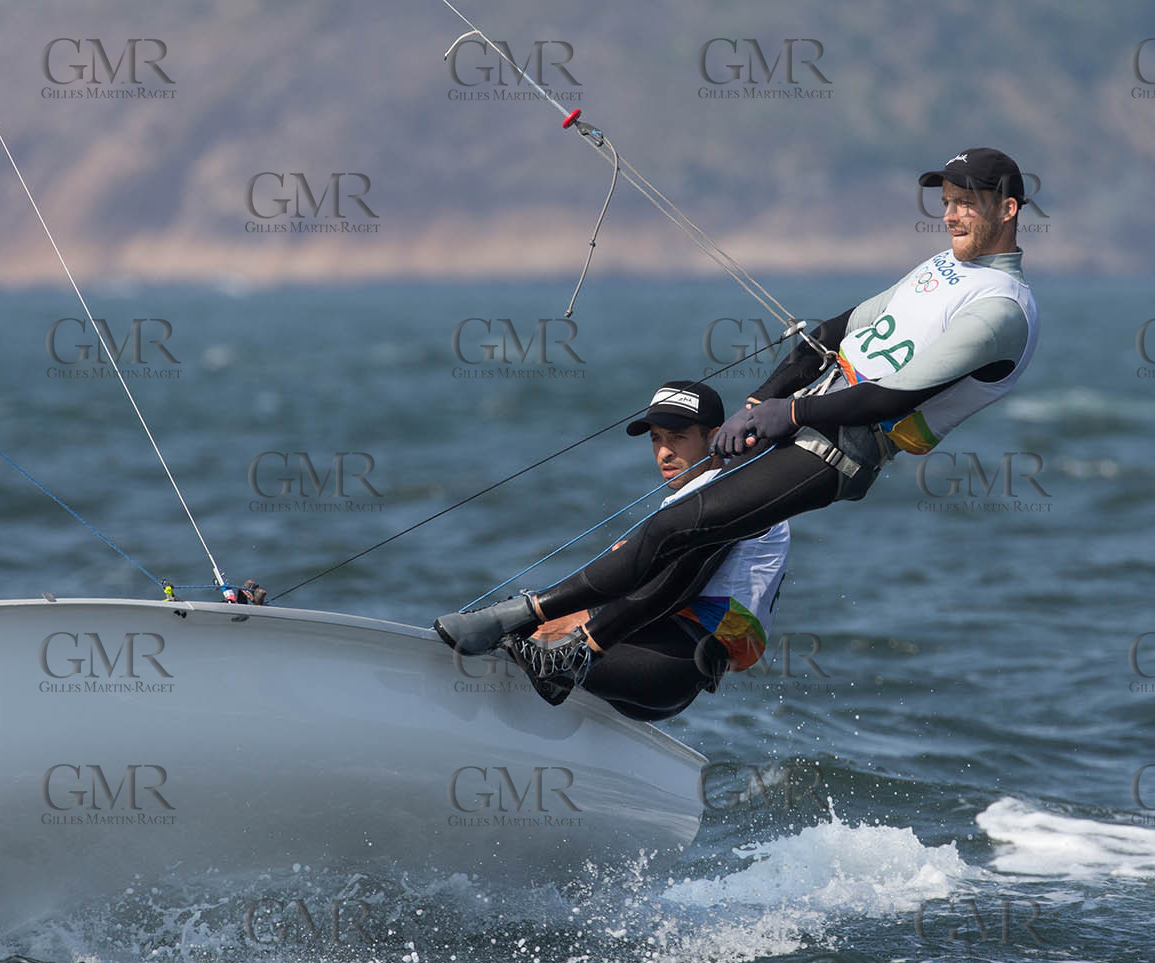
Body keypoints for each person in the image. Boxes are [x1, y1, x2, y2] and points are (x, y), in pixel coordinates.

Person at [436, 147, 1040, 691]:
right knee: (698, 537)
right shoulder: (942, 267)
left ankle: (520, 616)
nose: (951, 215)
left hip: (841, 453)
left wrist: (792, 410)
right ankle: (581, 650)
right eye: (948, 203)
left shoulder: (1002, 311)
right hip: (808, 422)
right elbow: (831, 333)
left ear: (1008, 208)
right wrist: (761, 401)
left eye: (967, 204)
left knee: (675, 527)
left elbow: (892, 400)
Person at [501, 381, 790, 717]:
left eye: (677, 437)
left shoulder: (728, 496)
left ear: (713, 438)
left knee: (513, 633)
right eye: (656, 439)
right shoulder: (712, 496)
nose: (664, 452)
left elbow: (679, 588)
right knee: (536, 624)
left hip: (666, 662)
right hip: (663, 673)